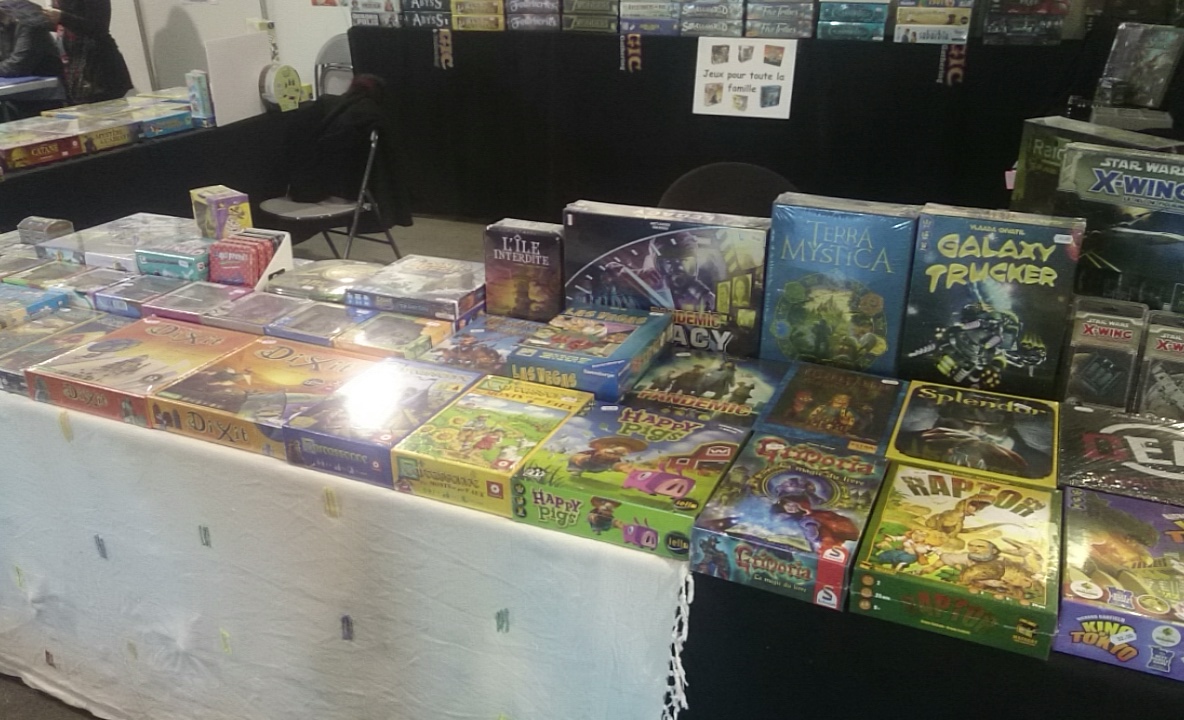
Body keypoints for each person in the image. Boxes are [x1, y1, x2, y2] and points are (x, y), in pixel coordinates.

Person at [44, 0, 132, 103]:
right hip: (74, 69)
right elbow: (65, 26)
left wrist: (62, 17)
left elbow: (99, 27)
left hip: (99, 70)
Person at [0, 0, 61, 79]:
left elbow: (18, 66)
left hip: (45, 81)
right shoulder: (4, 18)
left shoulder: (29, 22)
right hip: (22, 80)